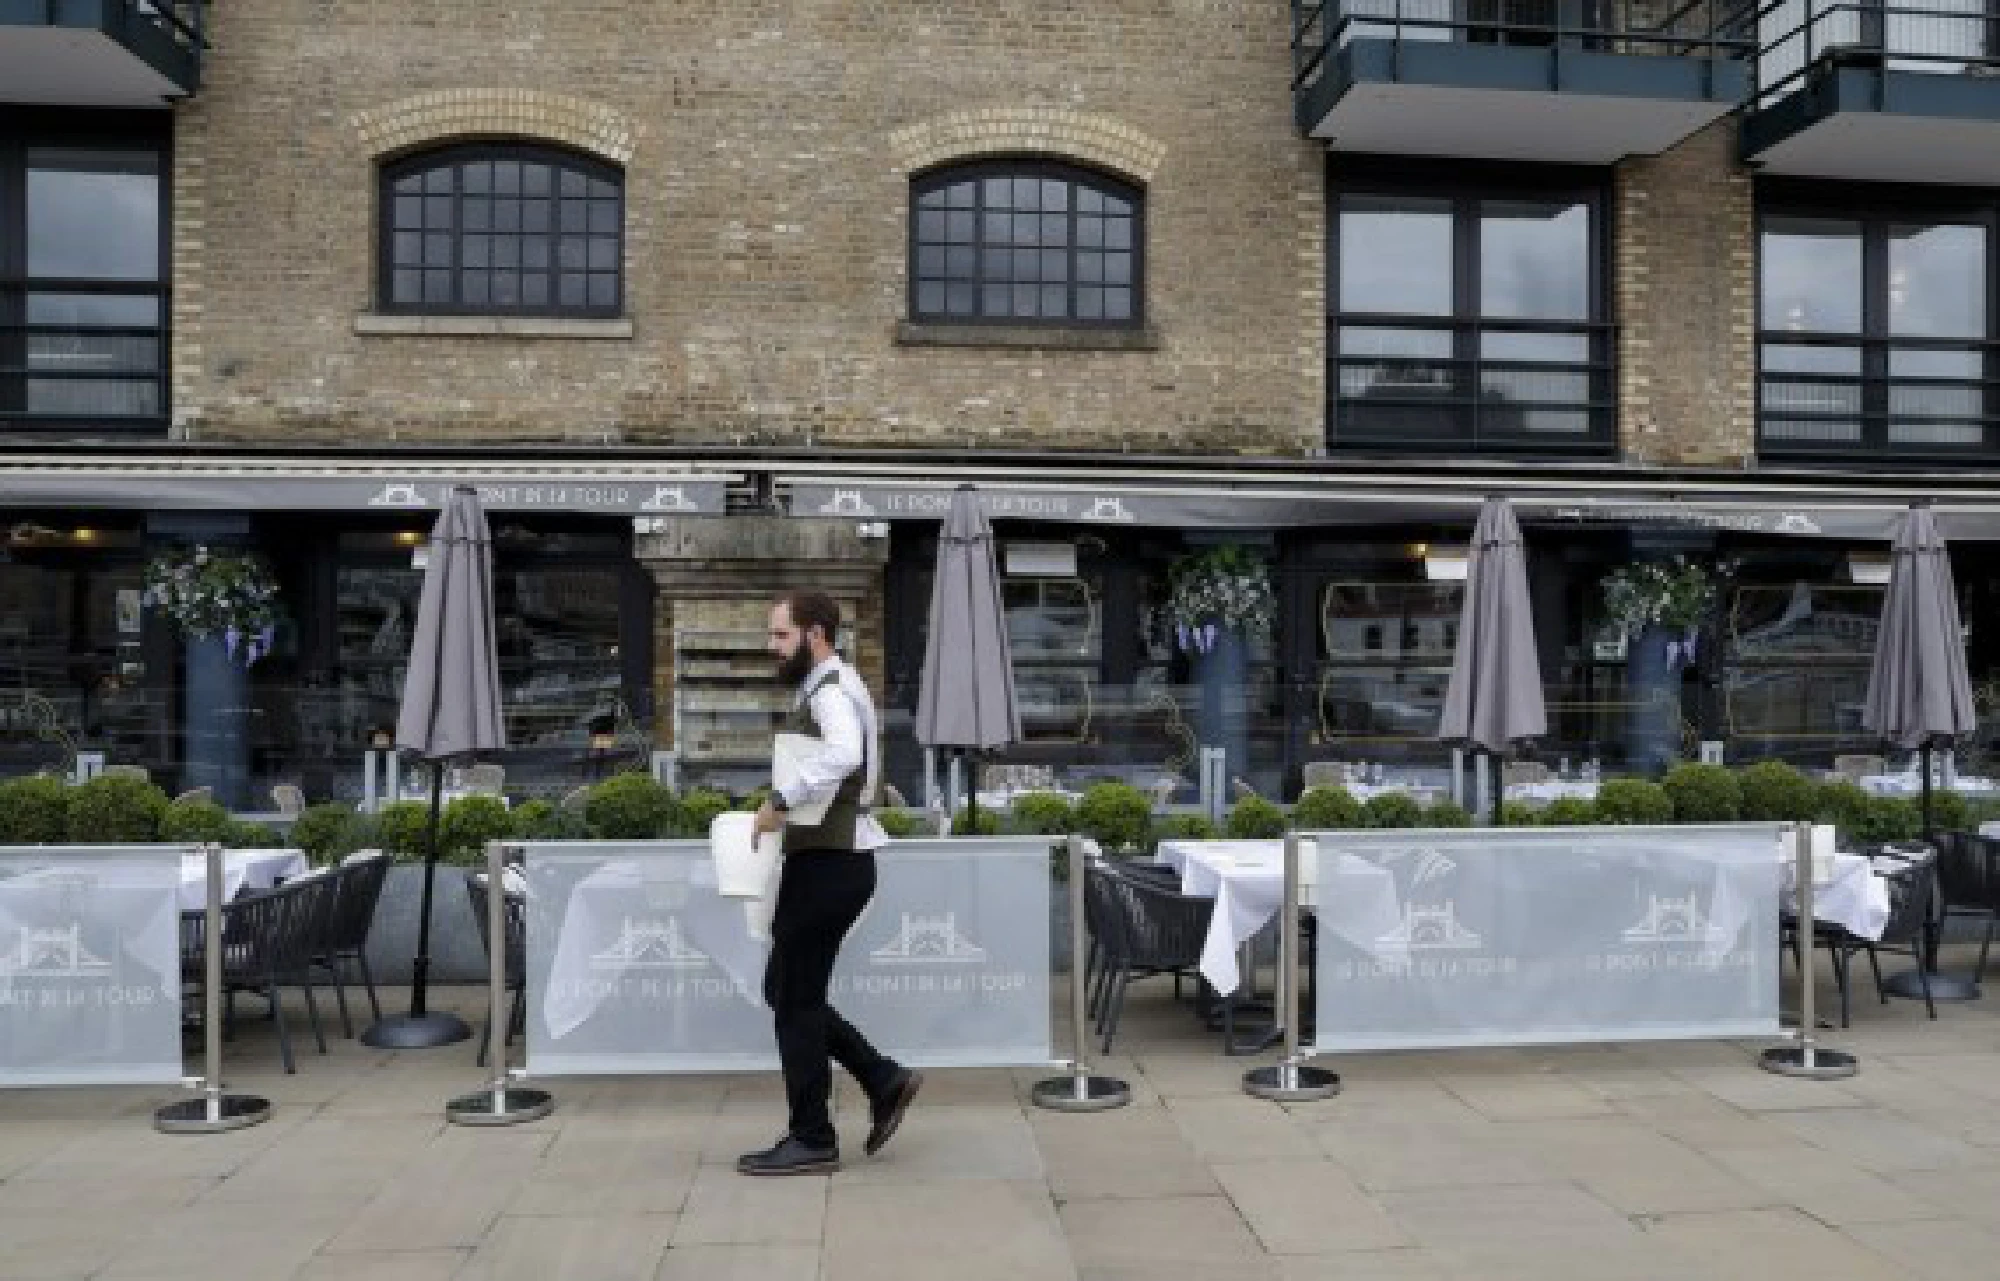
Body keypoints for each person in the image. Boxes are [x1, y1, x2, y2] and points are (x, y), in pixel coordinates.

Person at [738, 590, 922, 1176]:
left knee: (793, 997)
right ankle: (881, 1077)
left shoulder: (834, 691)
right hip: (831, 863)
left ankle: (813, 1136)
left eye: (780, 636)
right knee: (787, 991)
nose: (772, 648)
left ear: (814, 633)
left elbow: (844, 754)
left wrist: (780, 799)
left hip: (830, 865)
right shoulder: (824, 686)